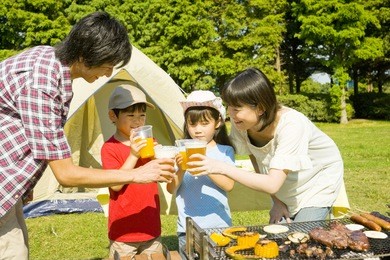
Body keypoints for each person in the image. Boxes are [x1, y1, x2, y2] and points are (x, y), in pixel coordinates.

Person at [0, 12, 174, 259]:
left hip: (9, 184)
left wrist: (26, 182)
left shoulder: (51, 64)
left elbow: (23, 129)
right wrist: (136, 174)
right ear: (85, 55)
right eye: (107, 63)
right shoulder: (42, 83)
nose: (108, 72)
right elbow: (66, 174)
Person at [189, 68, 345, 224]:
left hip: (318, 179)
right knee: (279, 237)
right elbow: (256, 157)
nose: (230, 114)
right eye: (228, 106)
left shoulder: (292, 125)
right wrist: (276, 201)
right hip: (284, 183)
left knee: (300, 235)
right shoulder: (242, 124)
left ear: (261, 108)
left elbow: (271, 183)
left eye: (236, 109)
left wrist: (219, 167)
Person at [166, 90, 235, 257]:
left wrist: (207, 165)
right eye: (192, 124)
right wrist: (181, 168)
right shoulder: (180, 151)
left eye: (204, 124)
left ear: (218, 122)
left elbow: (229, 185)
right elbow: (171, 188)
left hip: (219, 226)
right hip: (187, 229)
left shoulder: (224, 151)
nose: (197, 130)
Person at [101, 84, 163, 259]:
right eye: (131, 115)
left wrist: (159, 156)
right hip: (123, 233)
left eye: (142, 115)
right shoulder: (110, 148)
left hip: (151, 227)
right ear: (113, 115)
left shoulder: (150, 143)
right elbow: (115, 185)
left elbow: (162, 173)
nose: (138, 121)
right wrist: (134, 154)